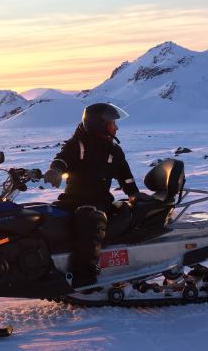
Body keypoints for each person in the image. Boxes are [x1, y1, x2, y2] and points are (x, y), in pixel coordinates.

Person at [44, 103, 140, 287]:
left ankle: (85, 276)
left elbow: (126, 178)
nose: (116, 127)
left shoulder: (114, 151)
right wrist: (55, 169)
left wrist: (134, 195)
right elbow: (63, 157)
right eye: (112, 123)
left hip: (98, 203)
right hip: (72, 200)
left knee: (89, 218)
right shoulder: (78, 145)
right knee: (46, 217)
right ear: (100, 124)